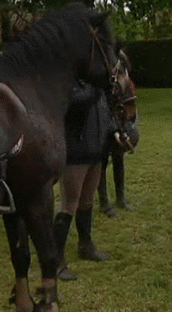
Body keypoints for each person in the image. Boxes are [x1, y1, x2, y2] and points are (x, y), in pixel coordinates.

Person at [54, 80, 119, 281]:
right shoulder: (70, 82)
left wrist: (116, 131)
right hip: (75, 154)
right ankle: (56, 260)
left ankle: (86, 245)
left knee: (87, 202)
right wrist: (99, 87)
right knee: (69, 205)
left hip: (97, 152)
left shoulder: (96, 88)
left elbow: (105, 113)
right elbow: (76, 105)